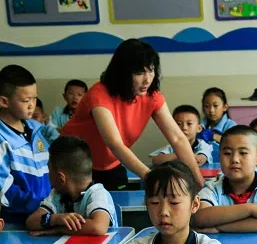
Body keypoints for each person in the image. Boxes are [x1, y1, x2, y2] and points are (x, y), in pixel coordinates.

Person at [61, 39, 203, 191]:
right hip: (72, 163)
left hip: (110, 164)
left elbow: (177, 138)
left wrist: (198, 179)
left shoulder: (152, 96)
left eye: (151, 70)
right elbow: (114, 143)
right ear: (122, 72)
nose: (147, 79)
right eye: (139, 72)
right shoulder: (99, 94)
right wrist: (150, 177)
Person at [0, 64, 60, 223]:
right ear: (4, 101)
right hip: (15, 224)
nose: (32, 105)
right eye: (26, 100)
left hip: (46, 217)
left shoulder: (37, 129)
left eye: (34, 98)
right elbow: (5, 194)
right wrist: (45, 205)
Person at [193, 126, 257, 233]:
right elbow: (199, 218)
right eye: (227, 153)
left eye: (243, 153)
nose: (234, 159)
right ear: (219, 157)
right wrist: (251, 209)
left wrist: (220, 228)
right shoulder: (212, 188)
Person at [25, 135, 118, 235]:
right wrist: (55, 219)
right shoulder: (57, 194)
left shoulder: (97, 194)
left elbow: (98, 227)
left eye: (49, 170)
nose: (47, 174)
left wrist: (58, 230)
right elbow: (31, 222)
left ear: (61, 178)